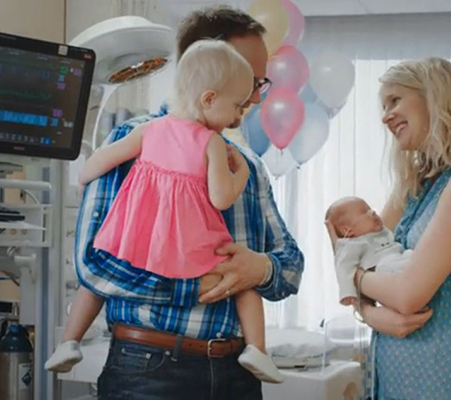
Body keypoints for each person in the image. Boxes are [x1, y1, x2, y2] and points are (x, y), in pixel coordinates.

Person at [69, 7, 304, 399]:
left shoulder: (247, 167)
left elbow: (291, 267)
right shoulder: (133, 141)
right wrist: (197, 284)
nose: (255, 95)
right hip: (148, 370)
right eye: (248, 77)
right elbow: (93, 267)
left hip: (236, 376)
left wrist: (259, 268)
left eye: (259, 82)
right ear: (203, 70)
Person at [326, 57, 451, 399]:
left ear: (435, 97)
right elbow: (355, 256)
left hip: (446, 377)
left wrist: (359, 283)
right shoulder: (415, 186)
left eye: (395, 100)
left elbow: (406, 295)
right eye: (383, 106)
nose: (385, 116)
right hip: (398, 375)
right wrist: (371, 314)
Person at [325, 196, 413, 305]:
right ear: (347, 230)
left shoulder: (381, 232)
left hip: (400, 259)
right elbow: (344, 268)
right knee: (385, 266)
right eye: (364, 212)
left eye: (370, 209)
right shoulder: (353, 245)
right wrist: (347, 293)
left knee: (410, 254)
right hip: (384, 271)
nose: (372, 212)